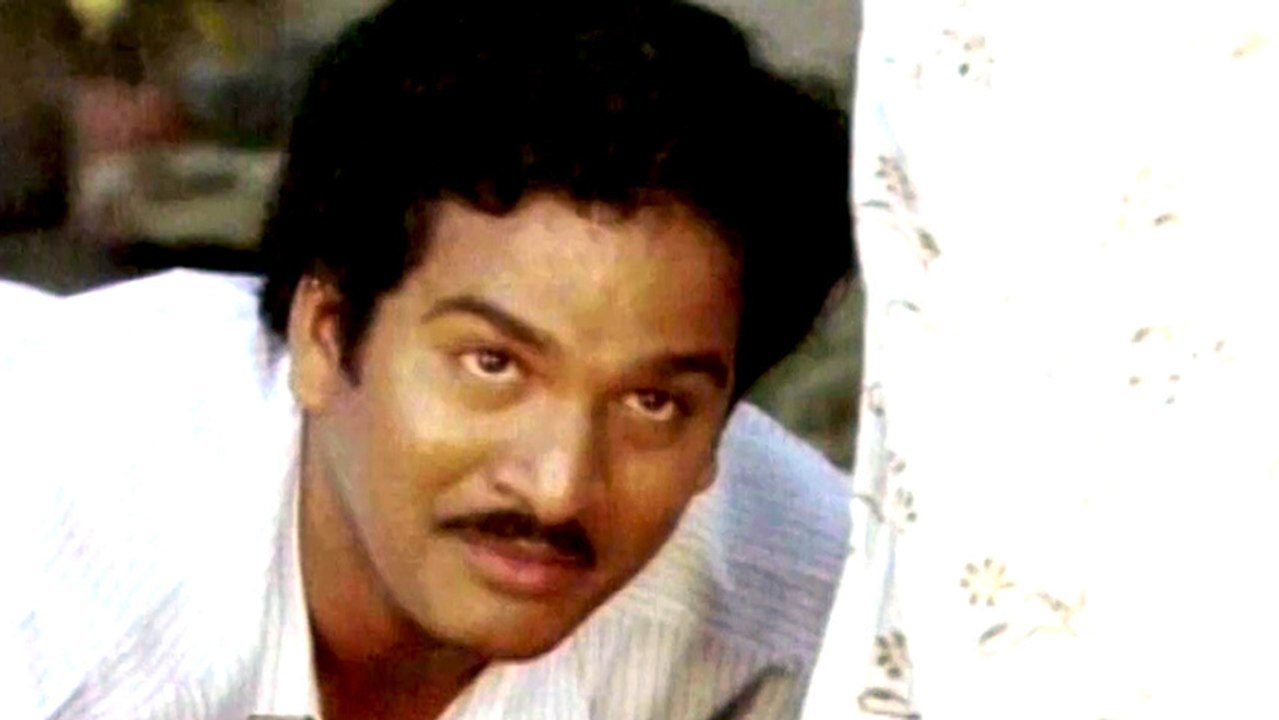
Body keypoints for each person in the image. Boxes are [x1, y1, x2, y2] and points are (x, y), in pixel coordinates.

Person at [0, 1, 855, 718]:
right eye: (493, 364)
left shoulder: (802, 611)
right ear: (326, 333)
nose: (557, 488)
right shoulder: (51, 556)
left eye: (653, 404)